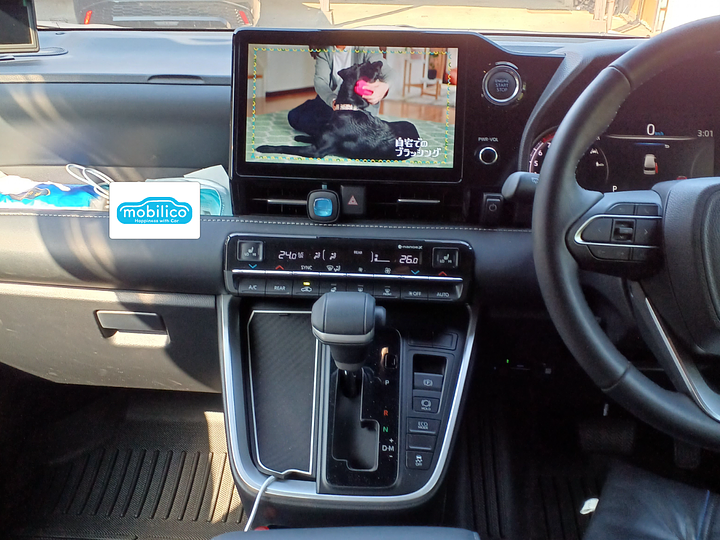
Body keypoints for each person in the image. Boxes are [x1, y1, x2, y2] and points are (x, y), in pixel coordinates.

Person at [288, 46, 391, 137]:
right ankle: (333, 132)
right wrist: (332, 100)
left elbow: (389, 73)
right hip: (332, 102)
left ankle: (333, 134)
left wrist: (384, 86)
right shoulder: (325, 51)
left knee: (342, 127)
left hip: (358, 108)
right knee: (293, 116)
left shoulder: (365, 46)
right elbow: (320, 81)